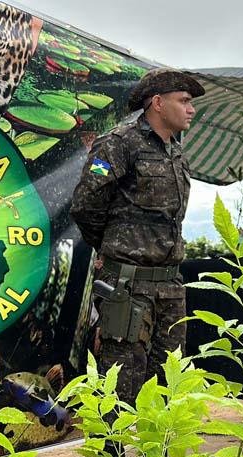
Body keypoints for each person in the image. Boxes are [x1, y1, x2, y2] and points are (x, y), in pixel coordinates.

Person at [70, 68, 205, 406]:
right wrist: (112, 250)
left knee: (166, 390)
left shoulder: (176, 152)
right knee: (120, 389)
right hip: (129, 287)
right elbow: (85, 204)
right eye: (184, 101)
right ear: (157, 103)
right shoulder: (120, 143)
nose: (192, 109)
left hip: (171, 288)